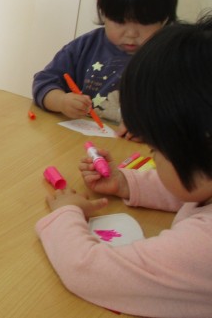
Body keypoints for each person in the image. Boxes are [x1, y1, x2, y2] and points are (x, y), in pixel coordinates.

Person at [35, 16, 212, 317]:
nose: (154, 158)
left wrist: (65, 213)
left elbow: (89, 271)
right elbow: (196, 187)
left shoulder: (202, 246)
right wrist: (126, 183)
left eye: (154, 150)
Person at [32, 0, 177, 136]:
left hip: (138, 151)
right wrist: (61, 101)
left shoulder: (175, 57)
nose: (131, 33)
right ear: (103, 8)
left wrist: (152, 128)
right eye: (119, 21)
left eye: (144, 22)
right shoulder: (85, 47)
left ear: (165, 16)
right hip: (83, 146)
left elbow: (188, 116)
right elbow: (43, 82)